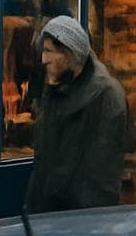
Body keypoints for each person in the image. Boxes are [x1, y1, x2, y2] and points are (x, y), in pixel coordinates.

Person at [25, 15, 129, 212]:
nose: (43, 59)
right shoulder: (56, 88)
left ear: (69, 53)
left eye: (49, 51)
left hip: (81, 219)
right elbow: (44, 158)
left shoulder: (105, 95)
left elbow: (102, 173)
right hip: (47, 213)